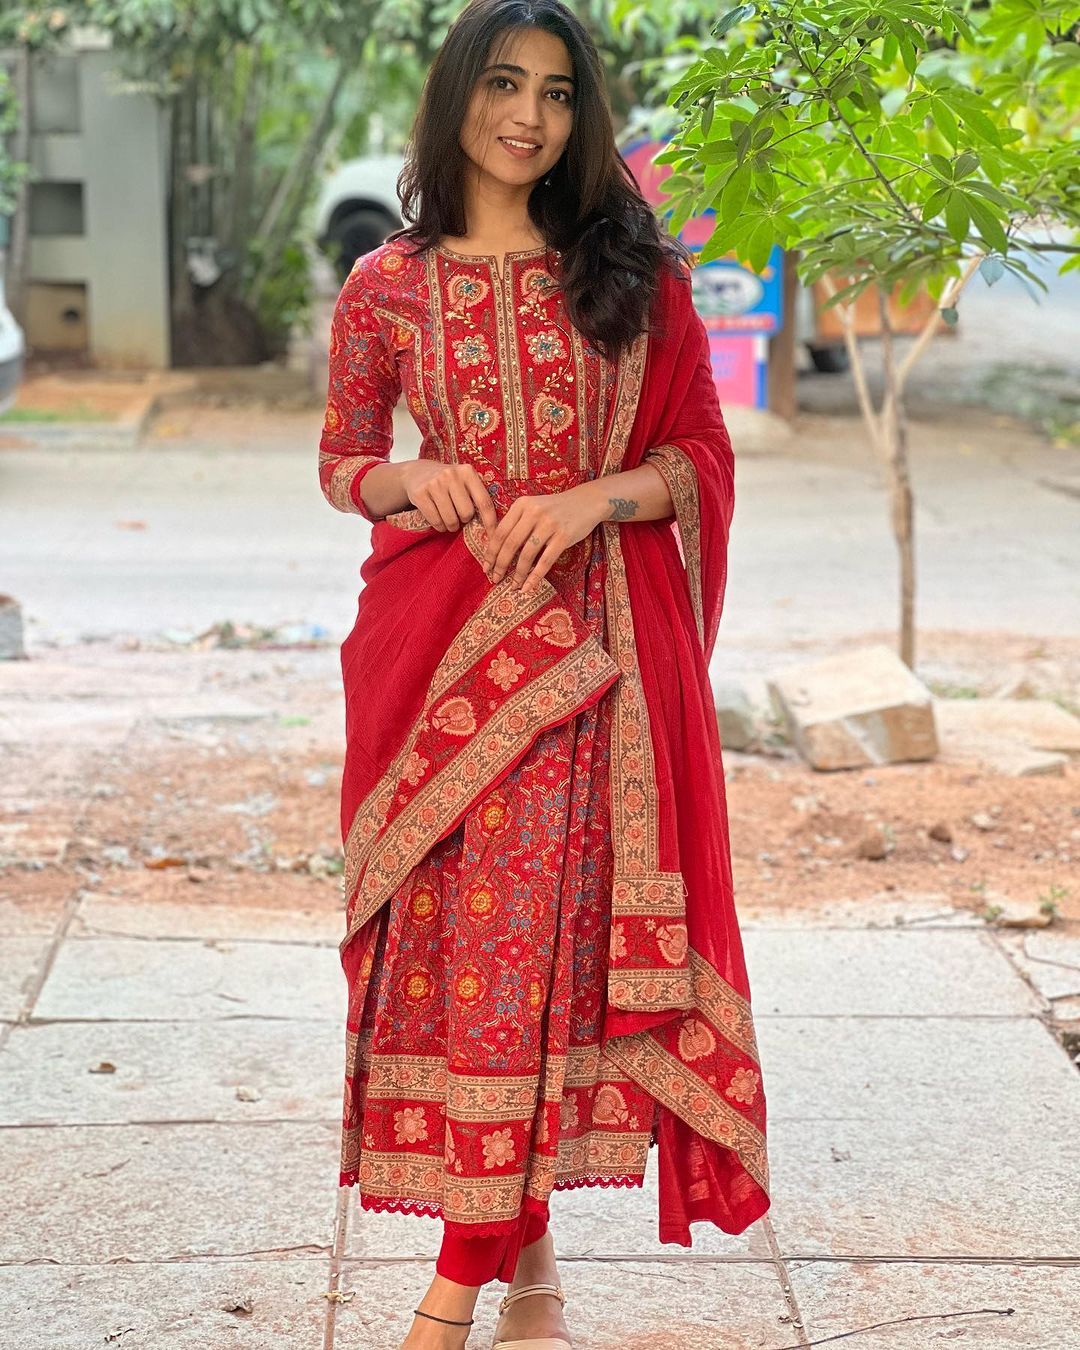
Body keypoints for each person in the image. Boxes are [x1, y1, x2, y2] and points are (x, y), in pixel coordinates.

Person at [317, 2, 770, 1346]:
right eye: (505, 84)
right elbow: (344, 462)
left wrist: (591, 500)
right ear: (456, 94)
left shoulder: (629, 270)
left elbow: (697, 455)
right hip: (441, 653)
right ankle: (533, 1278)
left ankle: (448, 1302)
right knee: (472, 960)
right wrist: (412, 478)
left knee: (532, 954)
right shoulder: (385, 285)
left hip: (599, 660)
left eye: (559, 93)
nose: (529, 115)